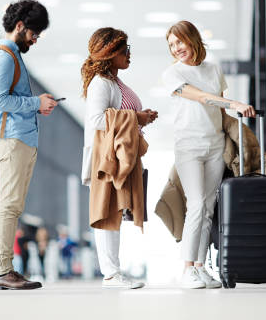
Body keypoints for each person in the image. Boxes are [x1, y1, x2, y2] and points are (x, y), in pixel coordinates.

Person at [162, 20, 255, 289]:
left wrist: (235, 122)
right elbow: (202, 97)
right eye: (171, 45)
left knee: (208, 208)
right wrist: (234, 102)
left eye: (179, 41)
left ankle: (201, 267)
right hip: (188, 146)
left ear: (192, 39)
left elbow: (219, 112)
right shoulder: (172, 74)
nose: (177, 48)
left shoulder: (214, 70)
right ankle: (187, 269)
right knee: (196, 205)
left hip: (214, 145)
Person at [0, 0, 56, 290]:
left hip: (21, 139)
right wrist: (35, 103)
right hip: (11, 138)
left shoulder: (14, 56)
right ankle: (2, 270)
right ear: (19, 26)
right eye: (34, 33)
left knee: (13, 206)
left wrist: (36, 105)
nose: (35, 39)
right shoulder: (4, 56)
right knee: (9, 206)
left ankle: (5, 270)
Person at [81, 27, 157, 289]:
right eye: (124, 50)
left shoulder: (114, 82)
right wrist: (137, 118)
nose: (129, 55)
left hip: (118, 157)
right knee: (106, 212)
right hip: (106, 159)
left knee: (115, 211)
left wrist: (141, 117)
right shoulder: (101, 84)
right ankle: (111, 274)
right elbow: (97, 120)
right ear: (109, 53)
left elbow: (118, 116)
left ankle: (114, 271)